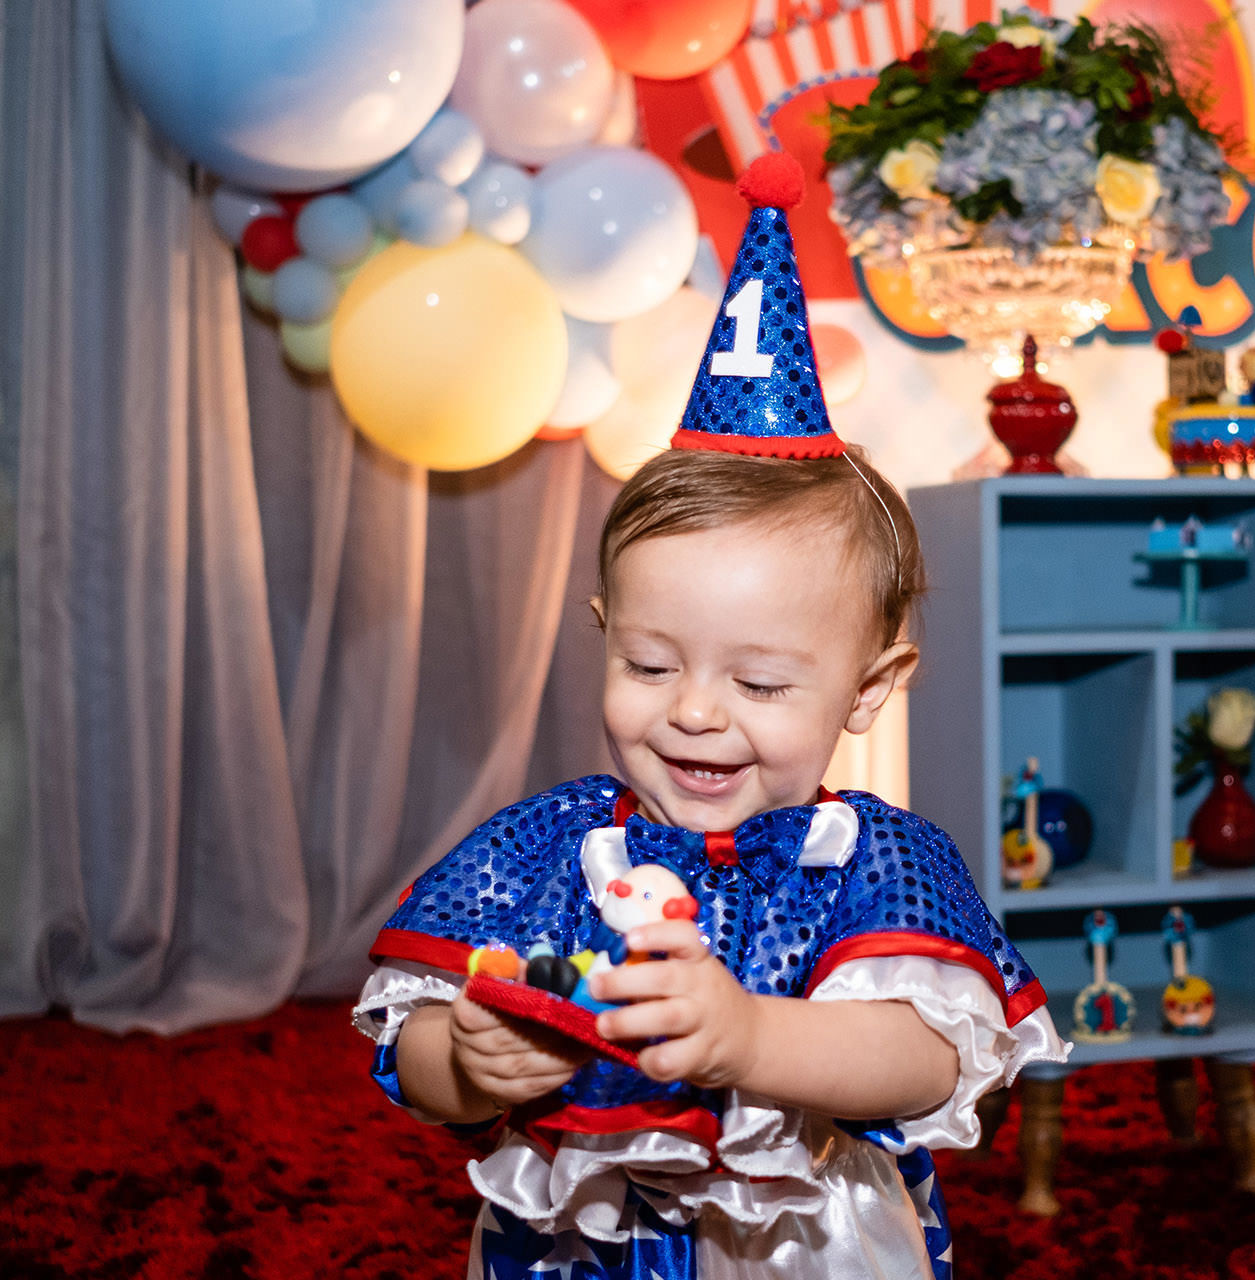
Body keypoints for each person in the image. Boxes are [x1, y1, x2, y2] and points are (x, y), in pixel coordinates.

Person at [353, 153, 1069, 1279]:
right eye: (647, 660)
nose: (692, 712)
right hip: (576, 1245)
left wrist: (751, 1035)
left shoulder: (874, 861)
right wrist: (471, 1058)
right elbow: (420, 1047)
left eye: (761, 683)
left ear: (869, 687)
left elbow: (926, 1057)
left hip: (801, 1246)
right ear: (603, 630)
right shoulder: (554, 846)